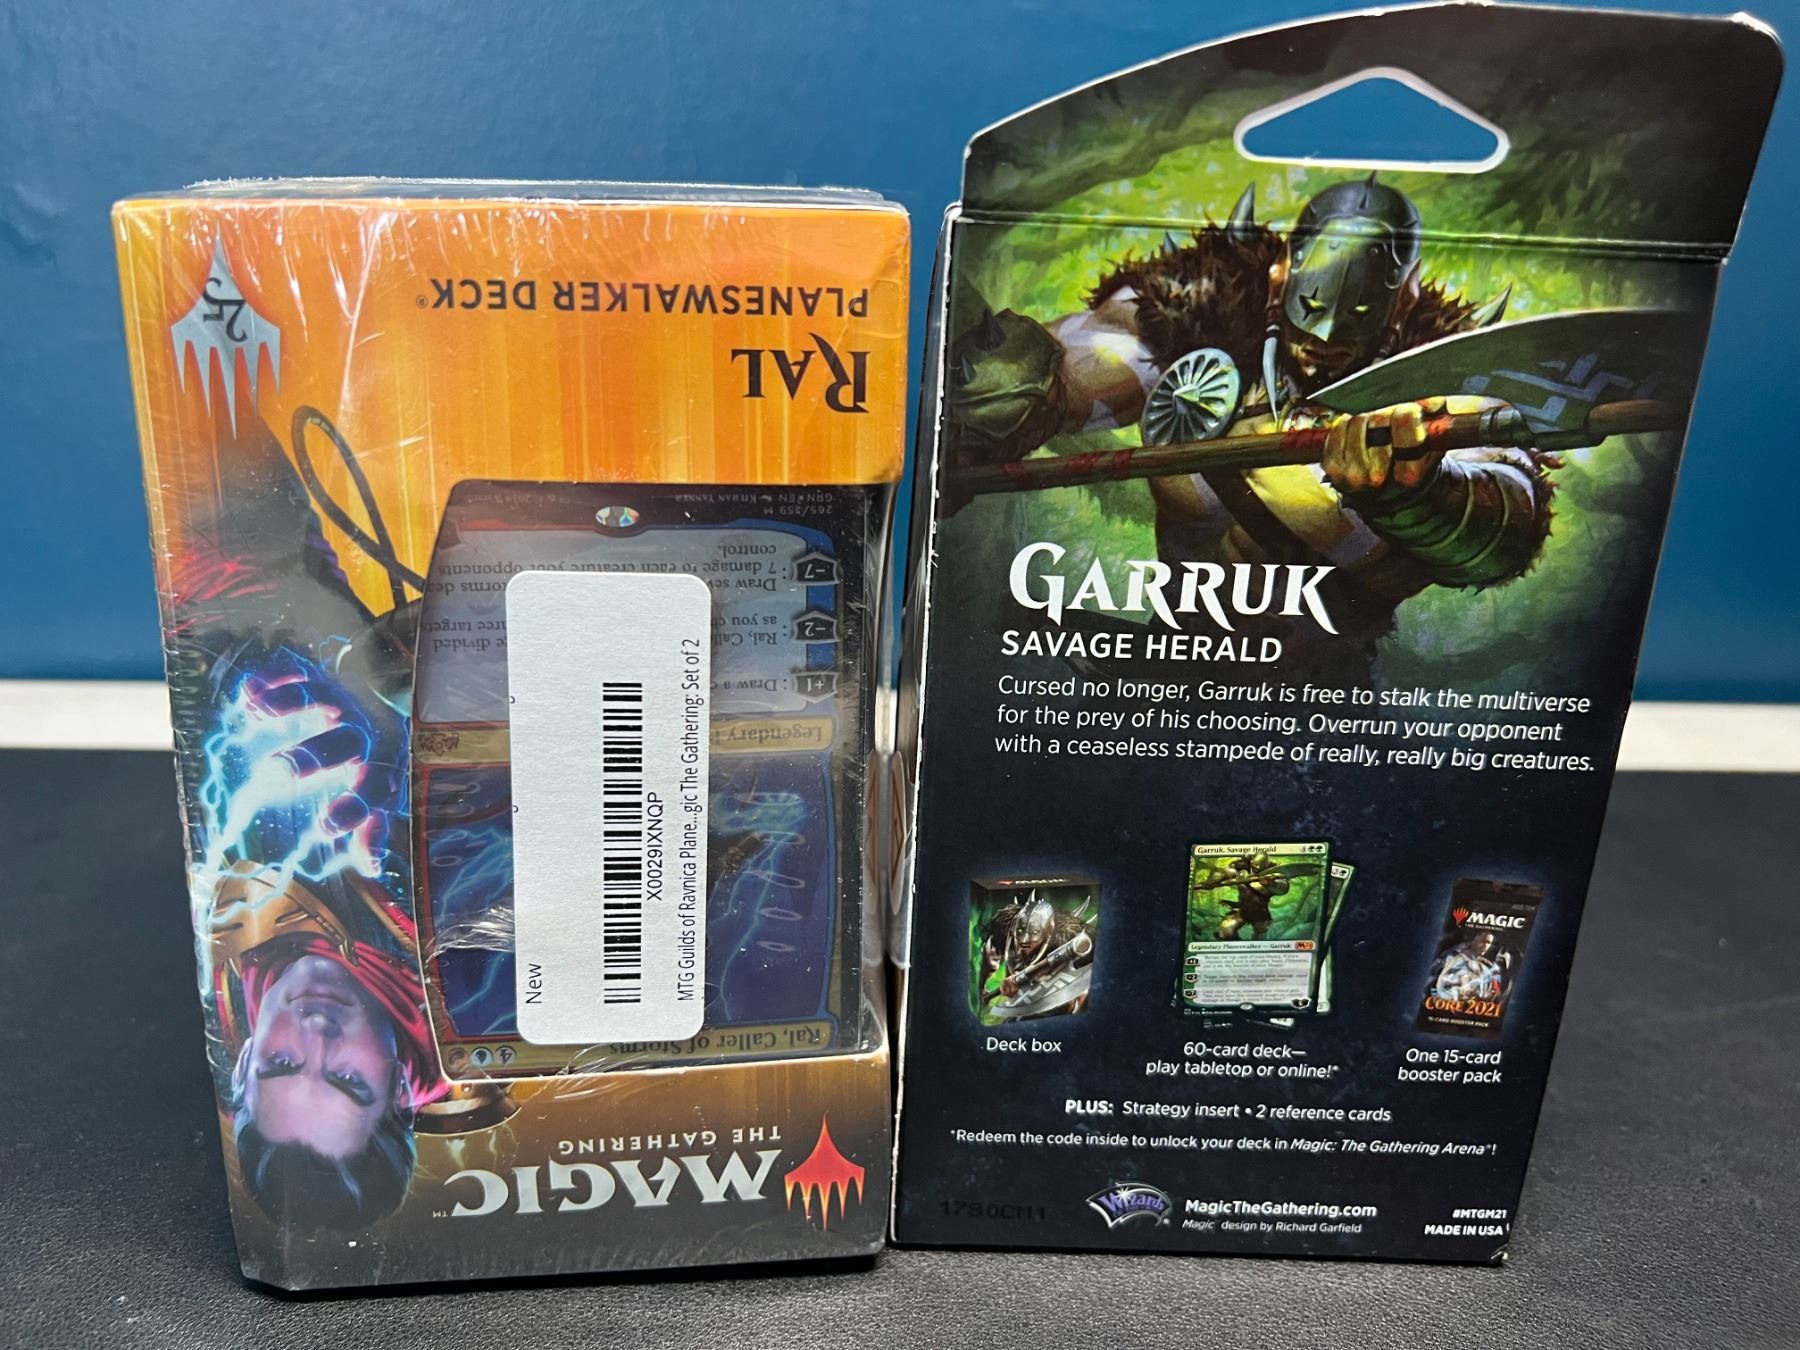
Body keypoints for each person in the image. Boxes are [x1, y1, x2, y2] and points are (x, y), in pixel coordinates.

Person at [948, 175, 1549, 671]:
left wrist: (1421, 493)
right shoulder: (1201, 313)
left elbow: (1504, 519)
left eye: (1355, 321)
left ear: (1405, 297)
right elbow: (1091, 356)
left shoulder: (1447, 386)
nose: (1323, 342)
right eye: (1312, 311)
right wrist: (993, 413)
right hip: (1170, 656)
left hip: (1317, 704)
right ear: (1283, 273)